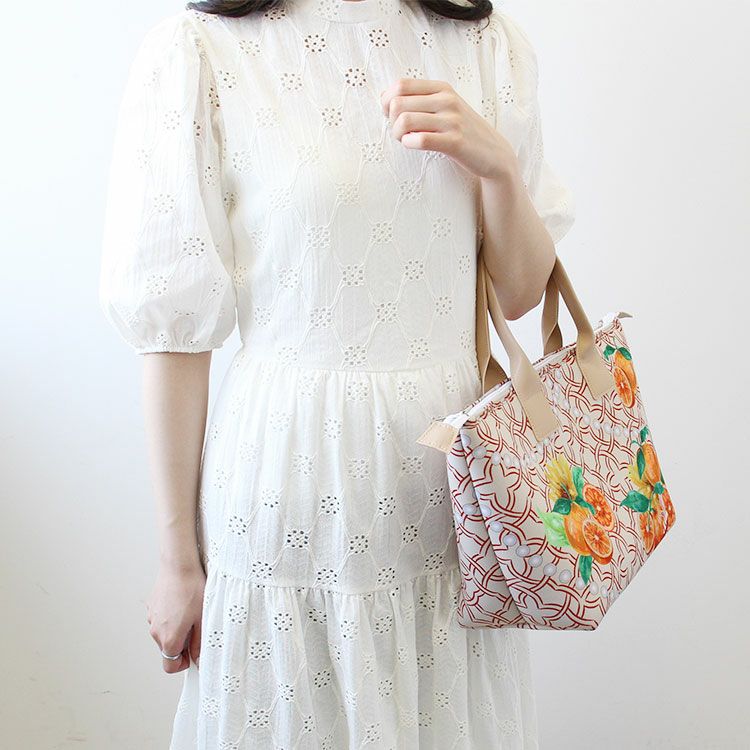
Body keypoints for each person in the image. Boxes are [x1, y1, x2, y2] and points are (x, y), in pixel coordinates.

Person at [98, 0, 575, 746]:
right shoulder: (203, 52)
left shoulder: (483, 44)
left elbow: (520, 293)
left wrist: (500, 169)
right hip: (285, 493)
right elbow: (174, 335)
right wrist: (176, 561)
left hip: (449, 504)